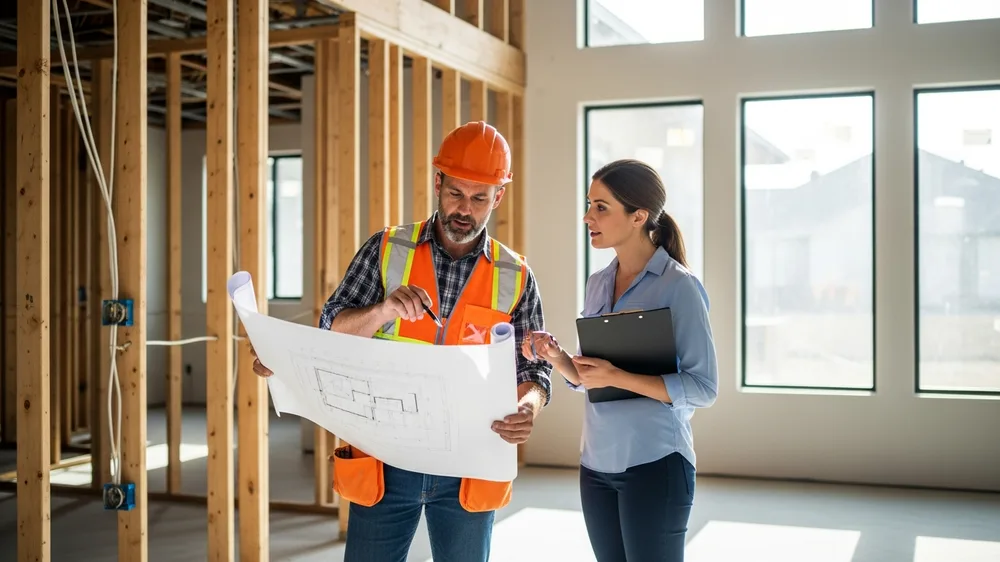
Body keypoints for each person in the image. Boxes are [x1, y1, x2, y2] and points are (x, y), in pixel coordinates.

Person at [250, 121, 552, 562]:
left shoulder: (516, 276)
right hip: (386, 459)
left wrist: (529, 406)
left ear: (498, 197)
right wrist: (382, 311)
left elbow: (535, 370)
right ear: (437, 182)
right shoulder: (387, 248)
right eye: (455, 193)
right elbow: (331, 330)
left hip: (470, 463)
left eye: (479, 197)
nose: (464, 209)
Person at [523, 158, 718, 562]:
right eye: (589, 204)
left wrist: (620, 376)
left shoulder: (680, 287)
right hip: (595, 465)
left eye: (601, 207)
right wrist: (557, 357)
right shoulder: (598, 284)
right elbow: (590, 378)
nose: (587, 216)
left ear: (638, 217)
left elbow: (703, 388)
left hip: (656, 463)